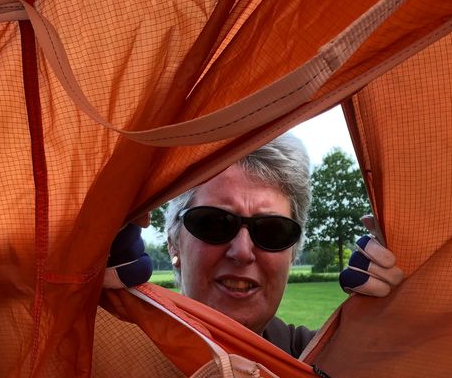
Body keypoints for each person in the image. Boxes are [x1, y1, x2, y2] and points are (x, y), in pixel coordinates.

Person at [105, 133, 403, 358]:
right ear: (173, 243)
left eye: (273, 231)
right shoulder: (112, 357)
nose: (242, 251)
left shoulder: (324, 364)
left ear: (293, 252)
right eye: (214, 223)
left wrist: (404, 311)